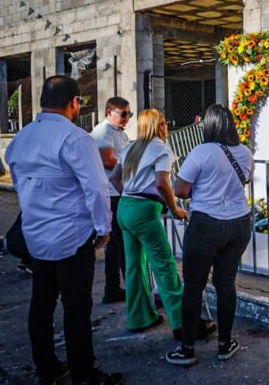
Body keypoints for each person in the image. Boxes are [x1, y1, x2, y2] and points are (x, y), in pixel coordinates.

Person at [5, 75, 123, 385]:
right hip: (71, 237)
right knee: (76, 308)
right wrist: (104, 229)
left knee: (40, 305)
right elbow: (97, 189)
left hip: (36, 235)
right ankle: (84, 378)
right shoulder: (75, 138)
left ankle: (48, 370)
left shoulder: (22, 137)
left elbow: (19, 182)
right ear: (74, 103)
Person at [165, 104, 254, 366]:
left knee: (193, 286)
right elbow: (244, 180)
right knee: (226, 284)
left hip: (206, 223)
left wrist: (203, 189)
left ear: (210, 125)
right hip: (239, 223)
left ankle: (187, 349)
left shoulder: (202, 151)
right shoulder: (245, 152)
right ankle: (225, 344)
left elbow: (180, 190)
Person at [109, 109, 190, 338]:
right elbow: (163, 184)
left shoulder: (129, 148)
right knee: (164, 266)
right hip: (145, 210)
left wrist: (130, 195)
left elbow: (114, 177)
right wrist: (175, 209)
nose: (166, 126)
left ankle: (139, 318)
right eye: (164, 123)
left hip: (125, 207)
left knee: (134, 267)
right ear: (159, 126)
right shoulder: (162, 150)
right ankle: (181, 324)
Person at [91, 97, 131, 304]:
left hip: (117, 191)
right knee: (122, 244)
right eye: (123, 113)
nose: (127, 118)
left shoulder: (117, 132)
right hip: (111, 193)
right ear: (109, 112)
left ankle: (113, 288)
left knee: (115, 246)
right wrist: (131, 166)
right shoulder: (103, 131)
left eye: (129, 114)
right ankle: (130, 289)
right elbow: (107, 160)